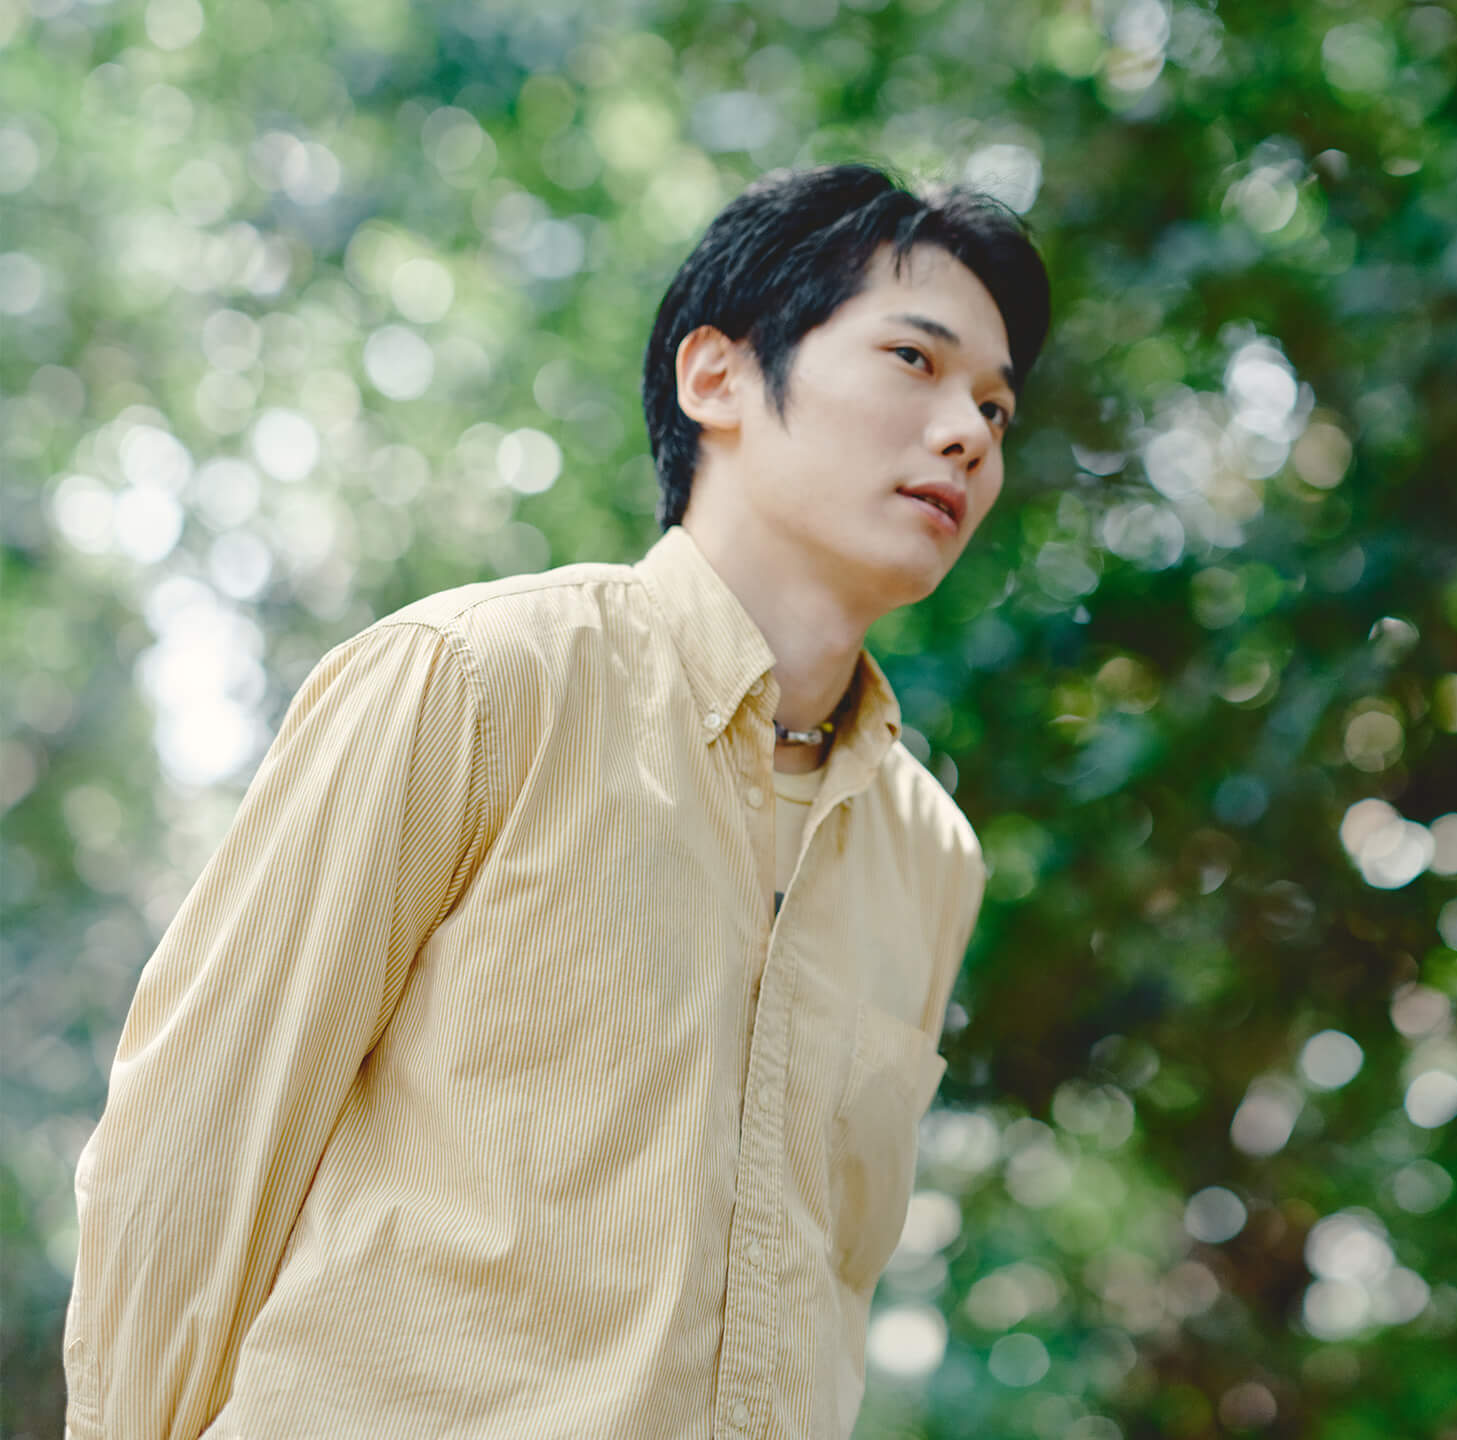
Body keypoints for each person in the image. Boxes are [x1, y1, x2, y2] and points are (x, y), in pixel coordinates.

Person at [64, 162, 1051, 1440]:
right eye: (913, 359)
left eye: (994, 405)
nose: (968, 431)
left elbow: (829, 1294)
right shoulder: (477, 681)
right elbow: (194, 1152)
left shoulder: (929, 857)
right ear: (717, 376)